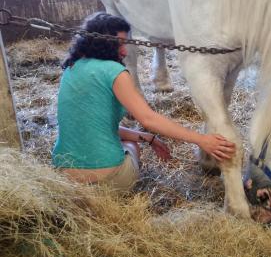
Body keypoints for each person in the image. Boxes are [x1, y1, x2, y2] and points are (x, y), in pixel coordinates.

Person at [52, 12, 235, 192]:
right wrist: (202, 140)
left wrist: (150, 138)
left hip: (63, 179)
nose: (124, 51)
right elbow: (148, 119)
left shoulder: (71, 68)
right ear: (103, 43)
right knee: (131, 146)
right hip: (109, 180)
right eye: (119, 44)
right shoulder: (114, 71)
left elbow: (98, 127)